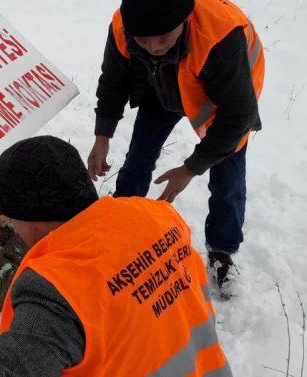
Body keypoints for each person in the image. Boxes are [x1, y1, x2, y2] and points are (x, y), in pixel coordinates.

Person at [0, 135, 231, 376]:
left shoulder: (58, 289)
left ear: (34, 218)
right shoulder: (160, 216)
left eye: (13, 219)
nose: (15, 229)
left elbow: (12, 367)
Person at [86, 0, 264, 289]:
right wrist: (102, 135)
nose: (153, 46)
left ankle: (222, 249)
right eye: (142, 39)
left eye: (163, 37)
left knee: (227, 177)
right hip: (162, 86)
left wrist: (191, 168)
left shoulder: (218, 36)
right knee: (138, 158)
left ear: (184, 20)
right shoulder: (124, 25)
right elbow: (114, 80)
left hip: (222, 98)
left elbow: (238, 116)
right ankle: (120, 223)